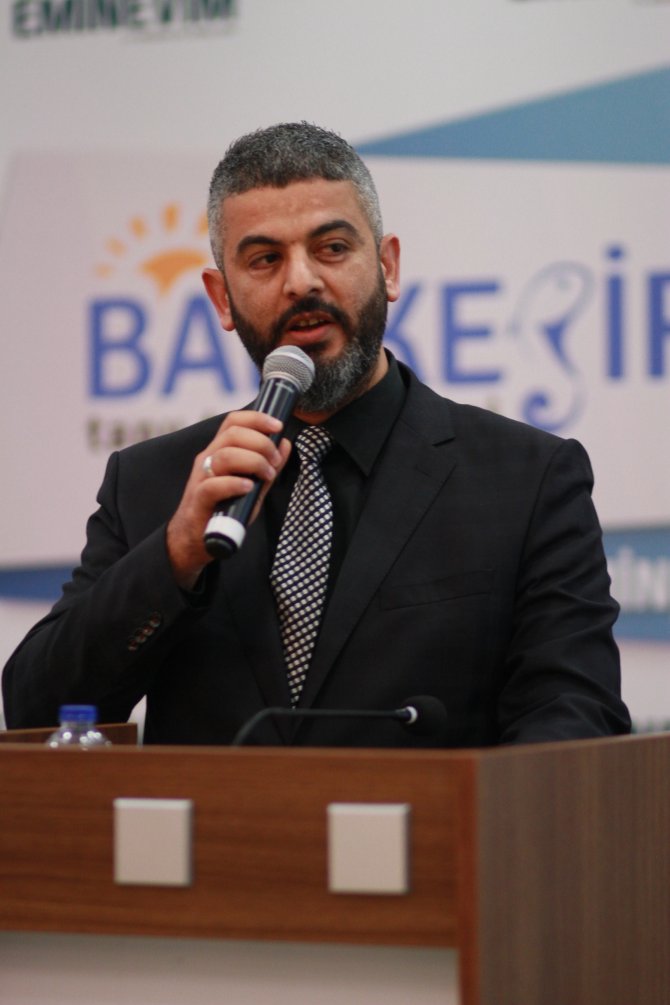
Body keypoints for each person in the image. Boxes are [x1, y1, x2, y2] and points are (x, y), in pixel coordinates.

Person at [2, 122, 630, 747]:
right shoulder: (153, 483)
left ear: (387, 267)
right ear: (222, 299)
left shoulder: (527, 479)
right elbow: (37, 710)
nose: (301, 281)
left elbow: (575, 716)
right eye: (265, 259)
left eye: (331, 248)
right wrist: (175, 556)